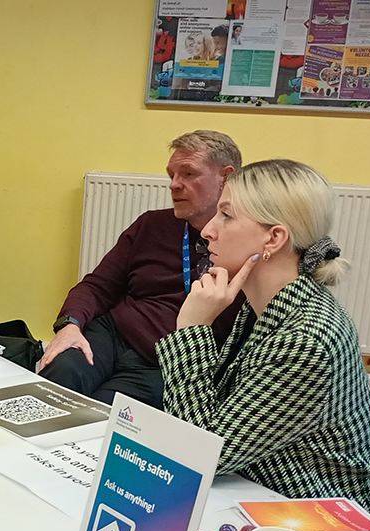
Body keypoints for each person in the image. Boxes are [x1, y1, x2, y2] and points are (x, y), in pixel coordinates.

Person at [157, 159, 370, 527]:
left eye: (226, 215)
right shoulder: (265, 307)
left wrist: (190, 329)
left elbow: (200, 456)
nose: (207, 230)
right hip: (262, 499)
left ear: (274, 239)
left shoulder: (305, 340)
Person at [40, 131, 244, 409]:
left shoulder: (246, 242)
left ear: (226, 177)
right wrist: (69, 326)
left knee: (103, 412)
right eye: (171, 174)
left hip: (166, 361)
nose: (174, 185)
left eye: (188, 174)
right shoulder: (151, 225)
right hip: (112, 335)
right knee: (59, 375)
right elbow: (97, 286)